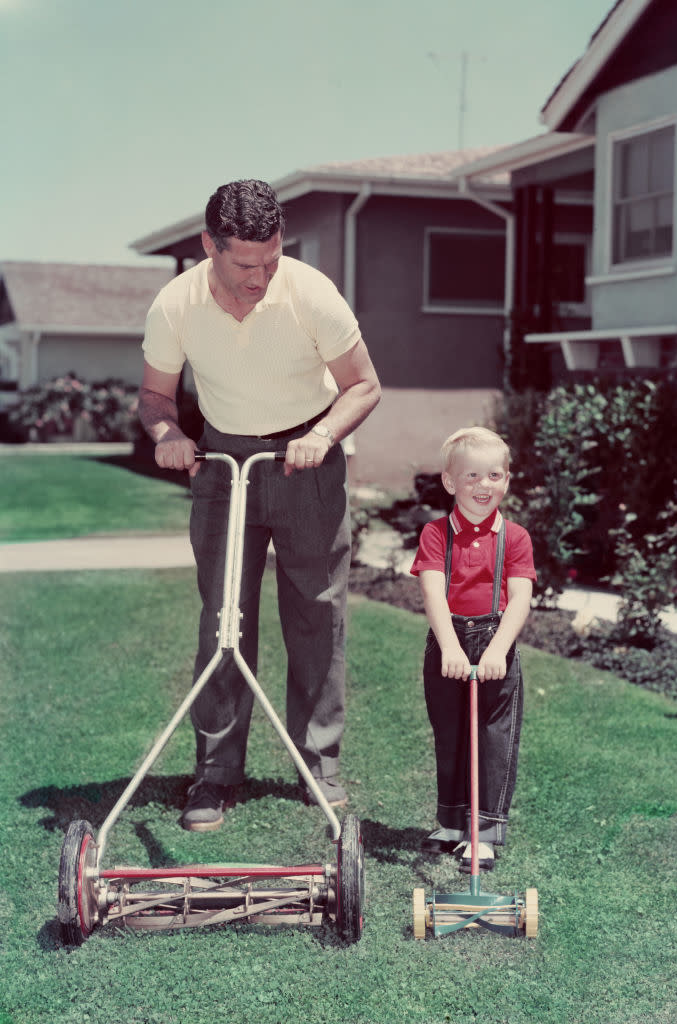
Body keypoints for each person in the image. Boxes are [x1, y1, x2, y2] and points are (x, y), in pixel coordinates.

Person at [138, 179, 381, 831]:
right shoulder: (175, 304)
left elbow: (363, 385)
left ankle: (318, 761)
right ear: (207, 247)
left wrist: (323, 434)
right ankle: (216, 773)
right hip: (223, 463)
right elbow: (156, 399)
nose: (260, 275)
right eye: (245, 263)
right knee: (223, 617)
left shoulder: (309, 293)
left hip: (307, 458)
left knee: (315, 611)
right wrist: (169, 435)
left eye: (270, 259)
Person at [410, 427, 535, 871]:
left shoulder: (515, 538)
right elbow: (433, 593)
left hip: (495, 641)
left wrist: (498, 650)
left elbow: (520, 597)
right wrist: (449, 647)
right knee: (452, 733)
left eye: (494, 475)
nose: (484, 486)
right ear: (450, 482)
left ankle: (484, 833)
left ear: (507, 480)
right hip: (449, 643)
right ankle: (452, 822)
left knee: (493, 739)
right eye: (472, 476)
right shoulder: (436, 534)